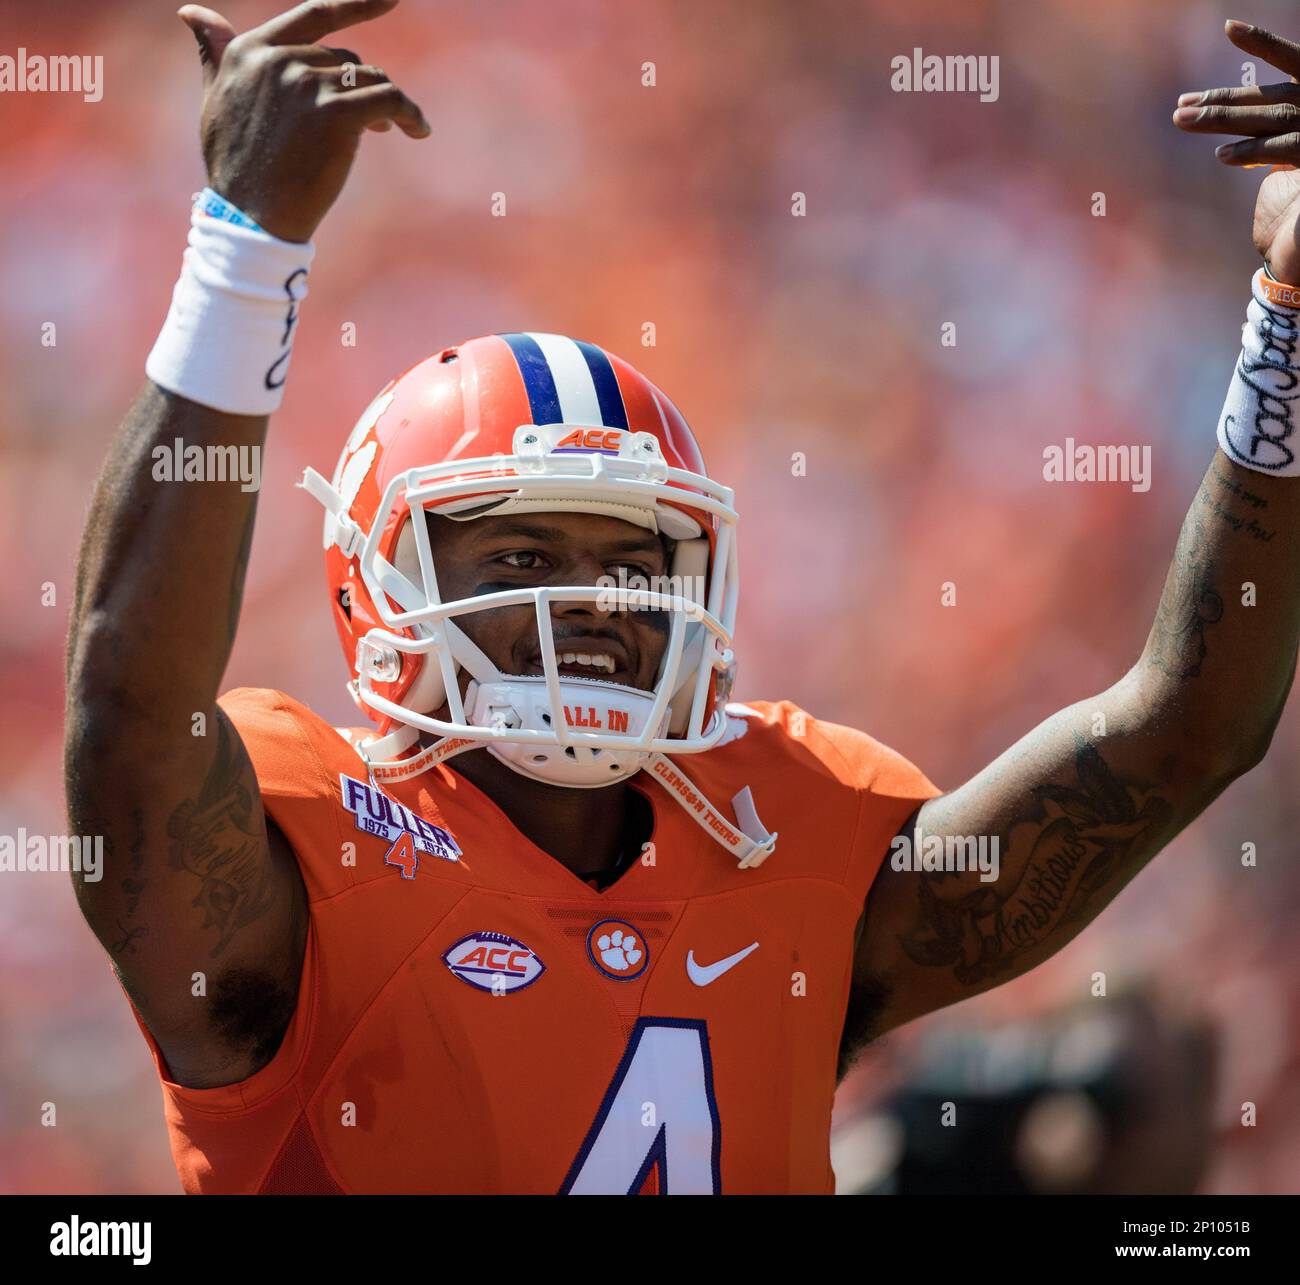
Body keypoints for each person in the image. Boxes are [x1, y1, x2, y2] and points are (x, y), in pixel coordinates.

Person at [65, 1, 1300, 1193]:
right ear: (381, 580)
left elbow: (1186, 728)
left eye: (630, 560)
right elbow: (128, 715)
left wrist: (1287, 316)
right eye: (521, 557)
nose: (592, 600)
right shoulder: (305, 872)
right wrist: (244, 247)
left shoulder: (788, 846)